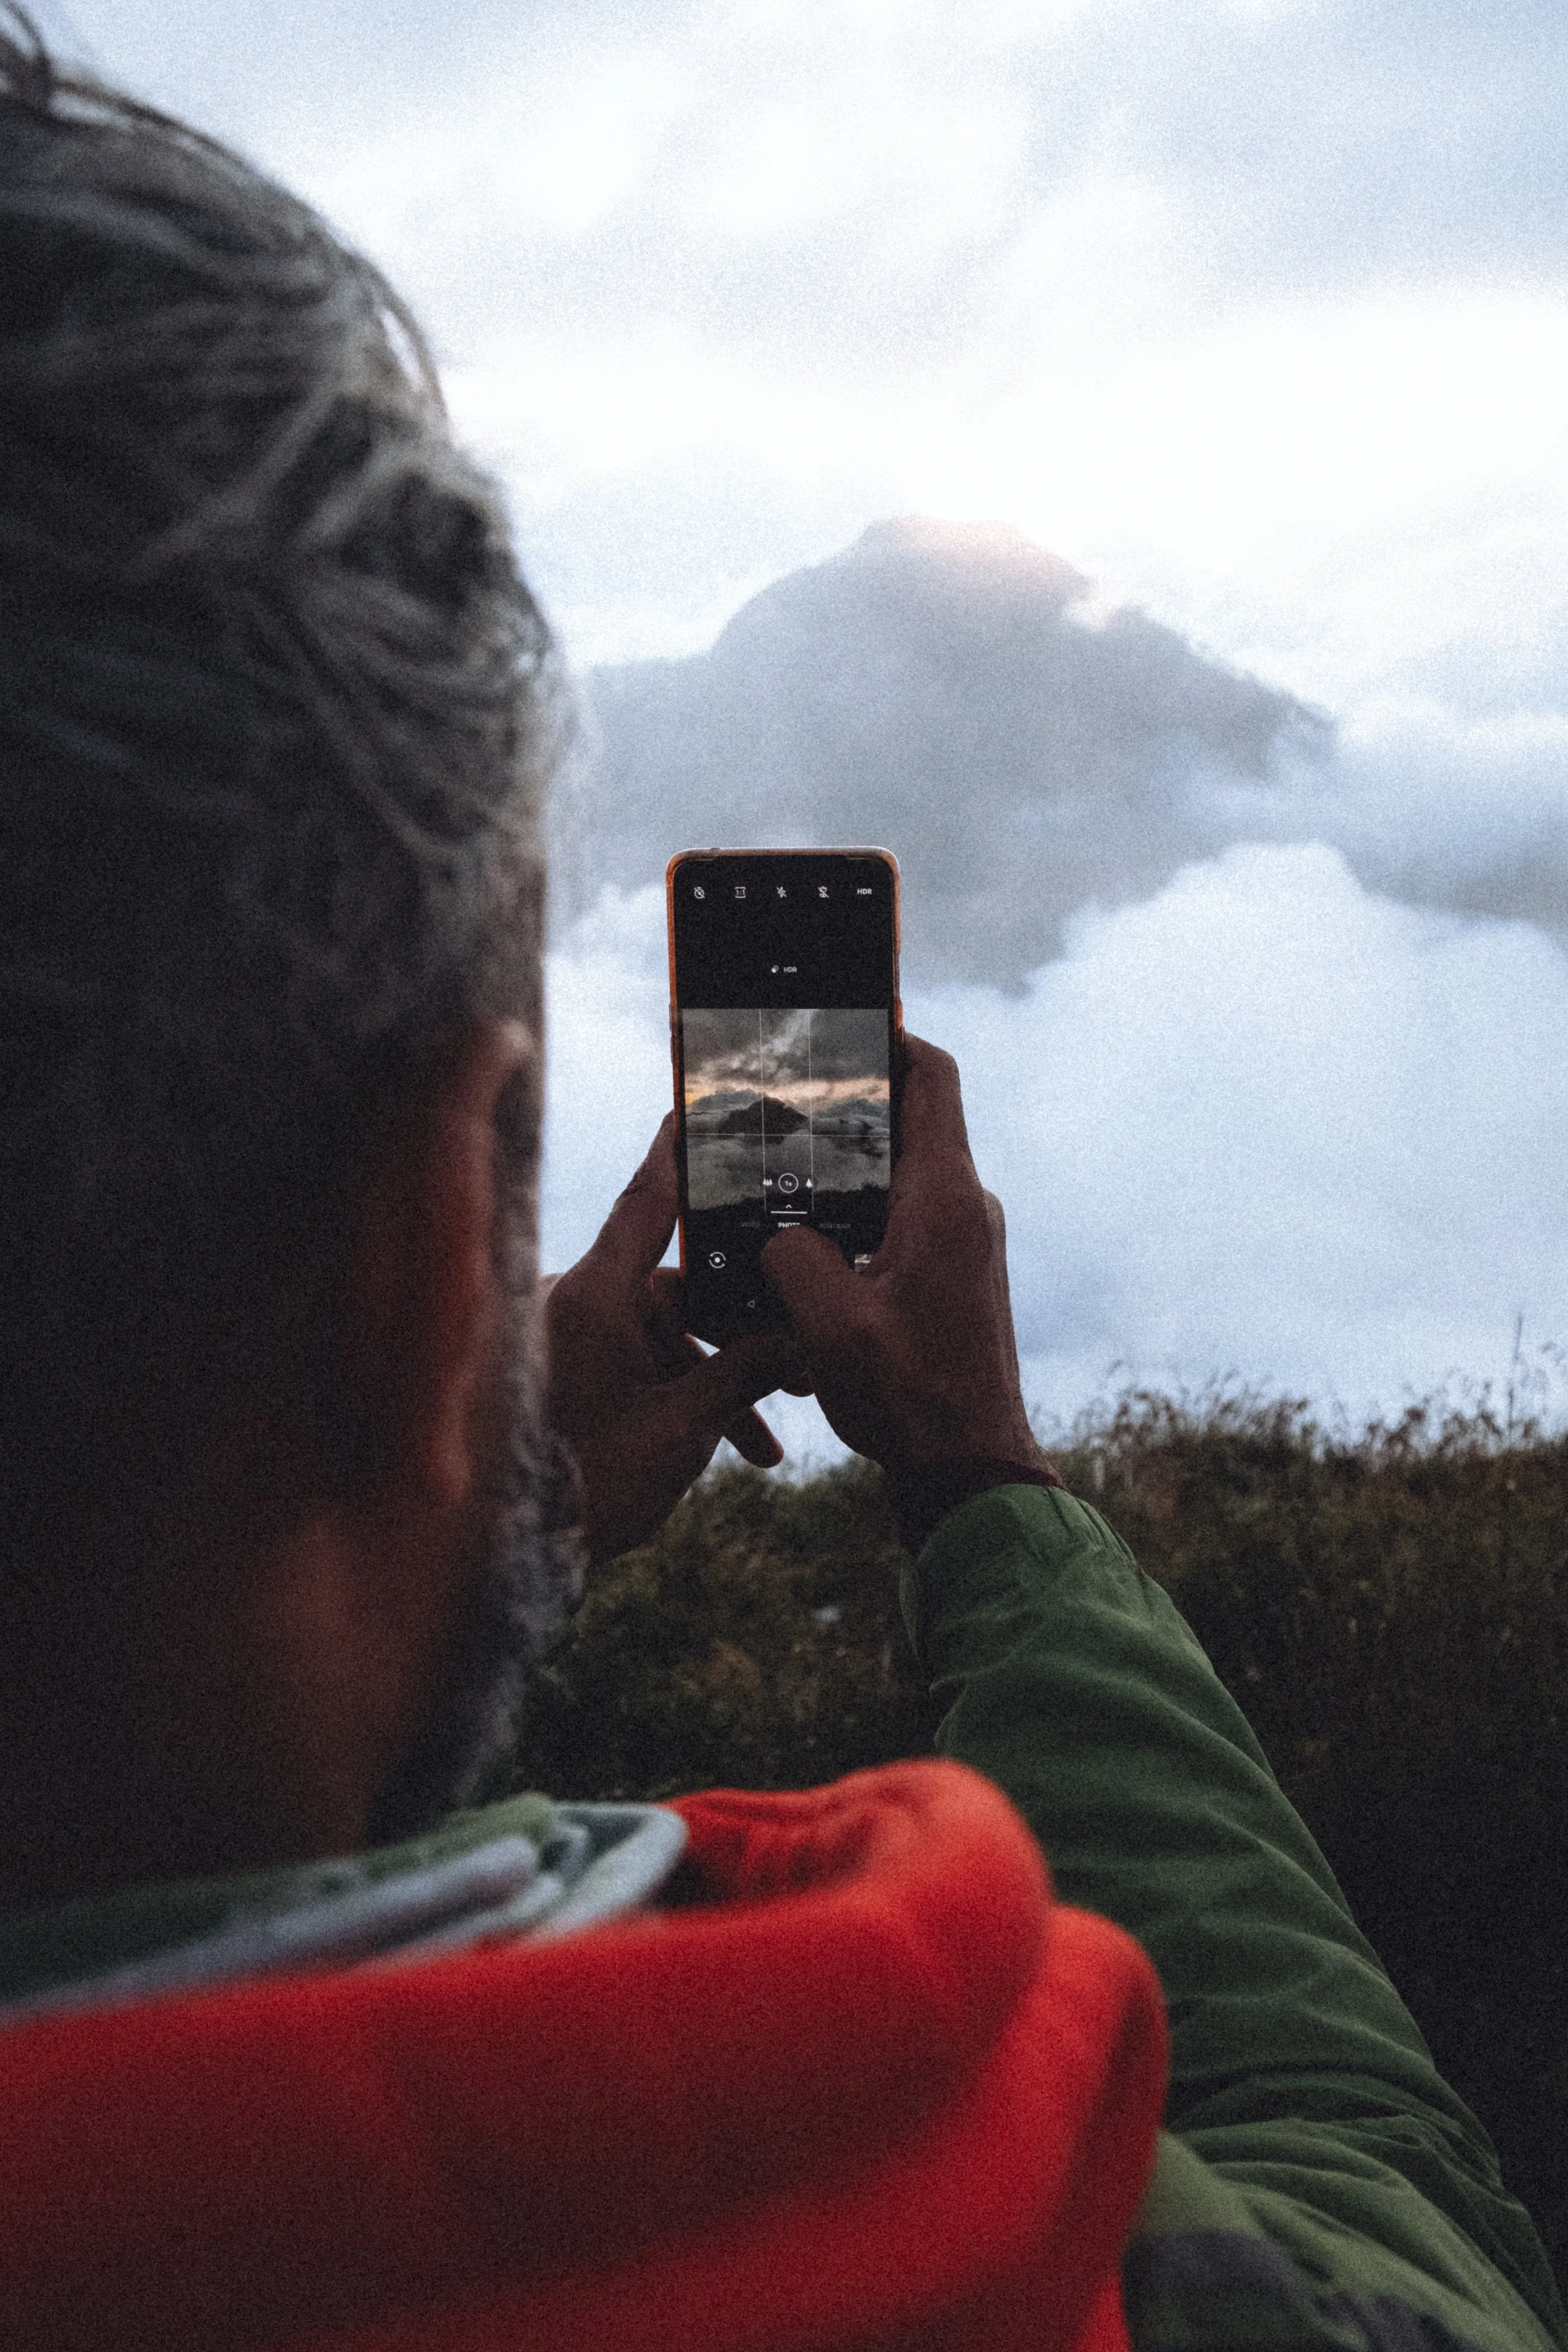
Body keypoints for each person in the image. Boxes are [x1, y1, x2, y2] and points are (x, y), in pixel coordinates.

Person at [0, 14, 1561, 2349]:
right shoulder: (1036, 2263)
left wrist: (436, 1514)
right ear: (432, 1259)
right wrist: (978, 1487)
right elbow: (1380, 2203)